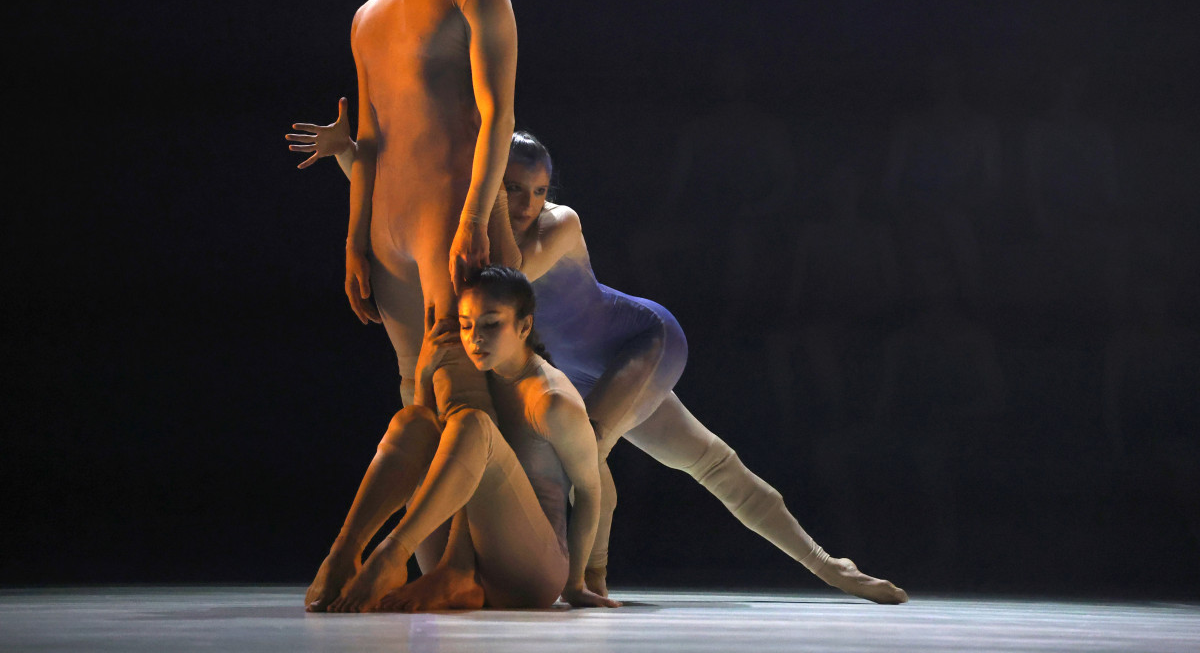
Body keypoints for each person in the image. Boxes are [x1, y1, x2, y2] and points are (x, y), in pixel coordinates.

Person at [289, 116, 908, 605]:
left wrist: (471, 198)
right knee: (710, 459)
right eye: (513, 189)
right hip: (581, 370)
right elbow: (413, 220)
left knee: (598, 452)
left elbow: (498, 273)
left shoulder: (559, 224)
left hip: (640, 343)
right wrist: (352, 158)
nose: (527, 203)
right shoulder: (479, 229)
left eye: (537, 191)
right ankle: (829, 566)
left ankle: (598, 580)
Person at [319, 0, 516, 418]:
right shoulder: (367, 15)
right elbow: (371, 138)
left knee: (468, 394)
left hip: (449, 219)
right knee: (415, 396)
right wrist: (356, 242)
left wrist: (474, 219)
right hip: (389, 231)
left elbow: (498, 116)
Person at [306, 266, 619, 612]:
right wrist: (425, 372)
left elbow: (591, 491)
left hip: (530, 571)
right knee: (414, 421)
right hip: (452, 555)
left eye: (491, 324)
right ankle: (345, 552)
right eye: (466, 325)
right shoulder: (478, 373)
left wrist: (576, 583)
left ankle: (392, 554)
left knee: (474, 424)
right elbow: (432, 449)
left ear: (524, 326)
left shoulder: (551, 400)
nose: (475, 338)